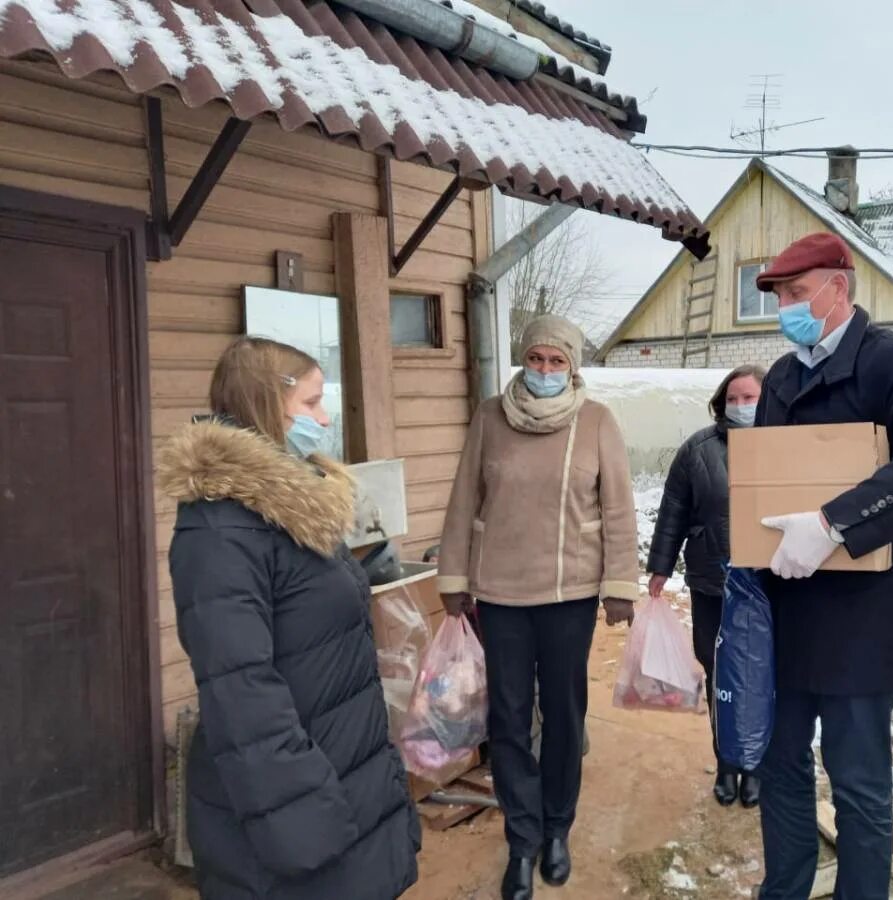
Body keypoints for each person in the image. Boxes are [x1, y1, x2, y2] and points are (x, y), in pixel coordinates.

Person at [751, 234, 893, 899]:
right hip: (788, 613)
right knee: (780, 766)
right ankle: (785, 890)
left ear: (837, 289)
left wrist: (833, 524)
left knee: (857, 783)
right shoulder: (782, 378)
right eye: (781, 299)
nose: (786, 310)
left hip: (865, 624)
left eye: (797, 295)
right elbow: (763, 485)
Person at [159, 337, 420, 900]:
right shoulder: (220, 532)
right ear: (263, 405)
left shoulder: (293, 511)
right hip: (293, 817)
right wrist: (307, 821)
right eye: (312, 403)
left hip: (344, 778)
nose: (325, 420)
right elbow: (242, 695)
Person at [437, 315, 639, 900]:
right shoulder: (490, 417)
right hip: (499, 595)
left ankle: (557, 829)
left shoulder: (597, 421)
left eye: (558, 361)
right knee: (508, 717)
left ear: (573, 366)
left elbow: (620, 509)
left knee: (564, 714)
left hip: (569, 595)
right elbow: (461, 498)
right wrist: (454, 576)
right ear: (522, 361)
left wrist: (619, 585)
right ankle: (521, 840)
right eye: (537, 359)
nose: (546, 370)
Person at [646, 364, 766, 808]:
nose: (740, 407)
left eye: (750, 398)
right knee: (720, 675)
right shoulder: (698, 449)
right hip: (713, 582)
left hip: (770, 586)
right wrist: (660, 566)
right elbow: (673, 508)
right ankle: (726, 763)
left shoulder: (786, 443)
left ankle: (755, 765)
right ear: (721, 402)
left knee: (761, 674)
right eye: (733, 399)